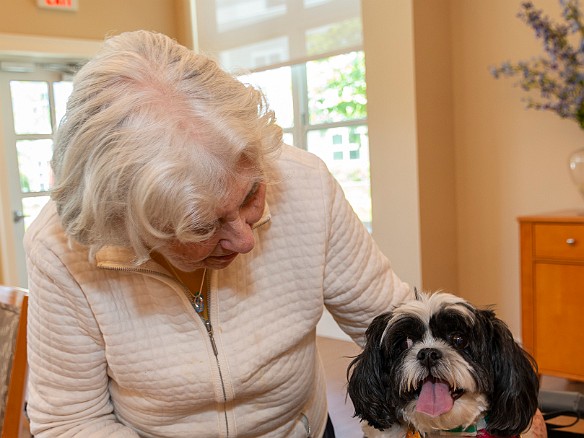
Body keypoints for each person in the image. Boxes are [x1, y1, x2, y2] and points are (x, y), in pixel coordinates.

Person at [24, 30, 546, 438]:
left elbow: (387, 322)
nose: (245, 239)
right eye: (204, 227)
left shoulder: (303, 183)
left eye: (250, 195)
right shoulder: (61, 250)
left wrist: (518, 409)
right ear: (132, 233)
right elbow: (70, 421)